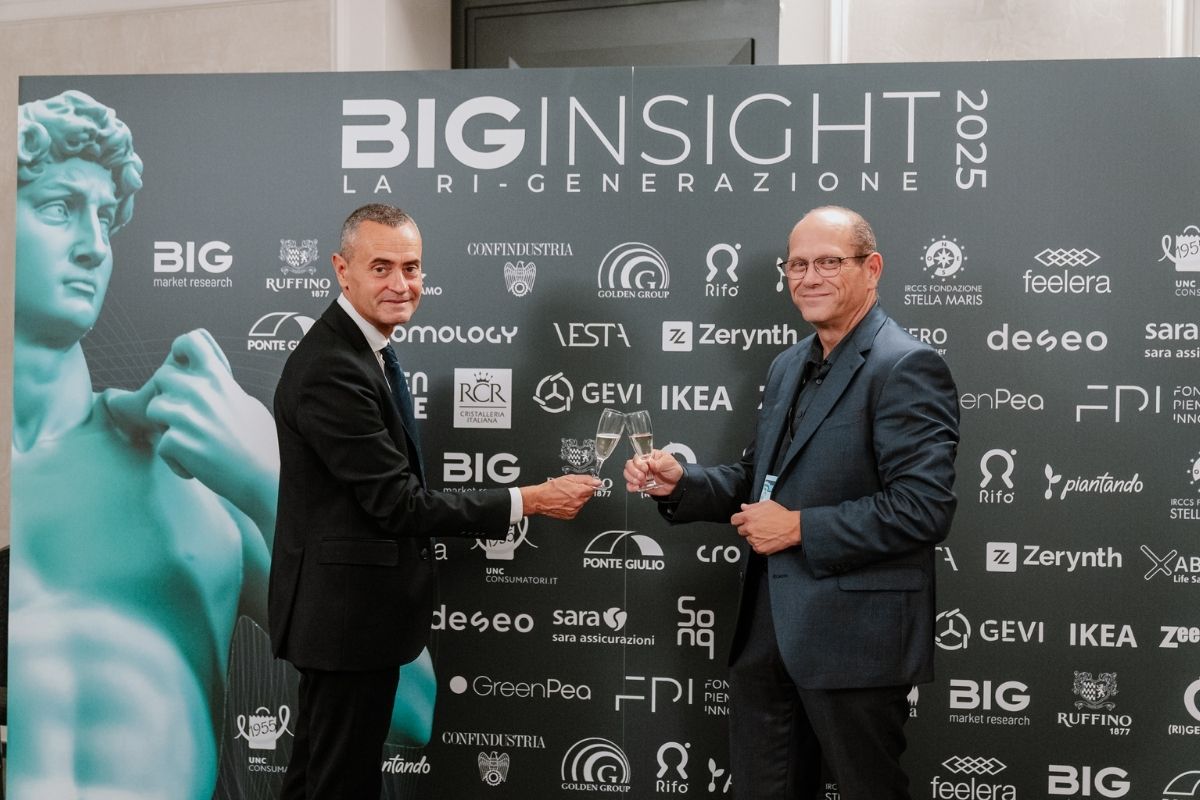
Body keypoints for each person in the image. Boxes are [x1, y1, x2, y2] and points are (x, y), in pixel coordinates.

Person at [625, 206, 959, 800]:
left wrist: (800, 527)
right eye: (797, 265)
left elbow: (922, 507)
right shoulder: (787, 365)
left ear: (872, 268)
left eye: (828, 262)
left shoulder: (906, 365)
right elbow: (760, 481)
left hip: (856, 643)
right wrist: (681, 483)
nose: (809, 277)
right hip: (766, 634)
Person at [268, 202, 599, 800]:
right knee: (339, 783)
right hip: (346, 619)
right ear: (342, 270)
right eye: (381, 268)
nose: (401, 284)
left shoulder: (361, 351)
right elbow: (399, 505)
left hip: (348, 617)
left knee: (318, 777)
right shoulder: (333, 368)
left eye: (412, 267)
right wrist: (528, 500)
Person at [10, 90, 281, 798]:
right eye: (59, 208)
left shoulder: (191, 464)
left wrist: (272, 489)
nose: (94, 245)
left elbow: (410, 706)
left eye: (105, 218)